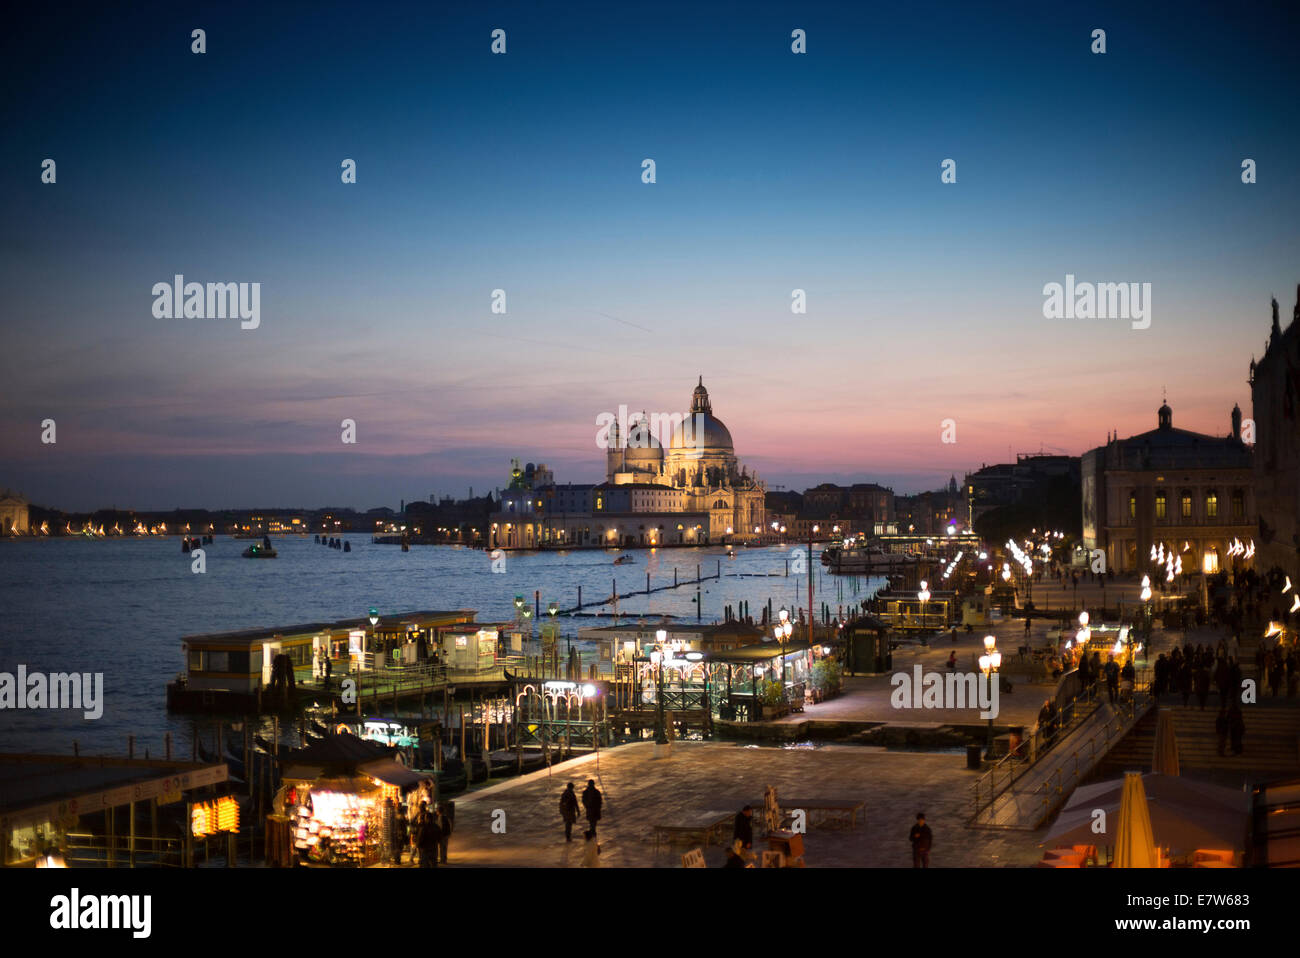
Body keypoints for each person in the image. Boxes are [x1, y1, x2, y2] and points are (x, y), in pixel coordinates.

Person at [416, 801, 441, 868]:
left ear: (426, 818)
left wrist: (418, 845)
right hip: (433, 847)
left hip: (425, 848)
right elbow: (440, 836)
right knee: (433, 863)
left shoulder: (424, 828)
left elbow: (420, 838)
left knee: (425, 863)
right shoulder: (436, 827)